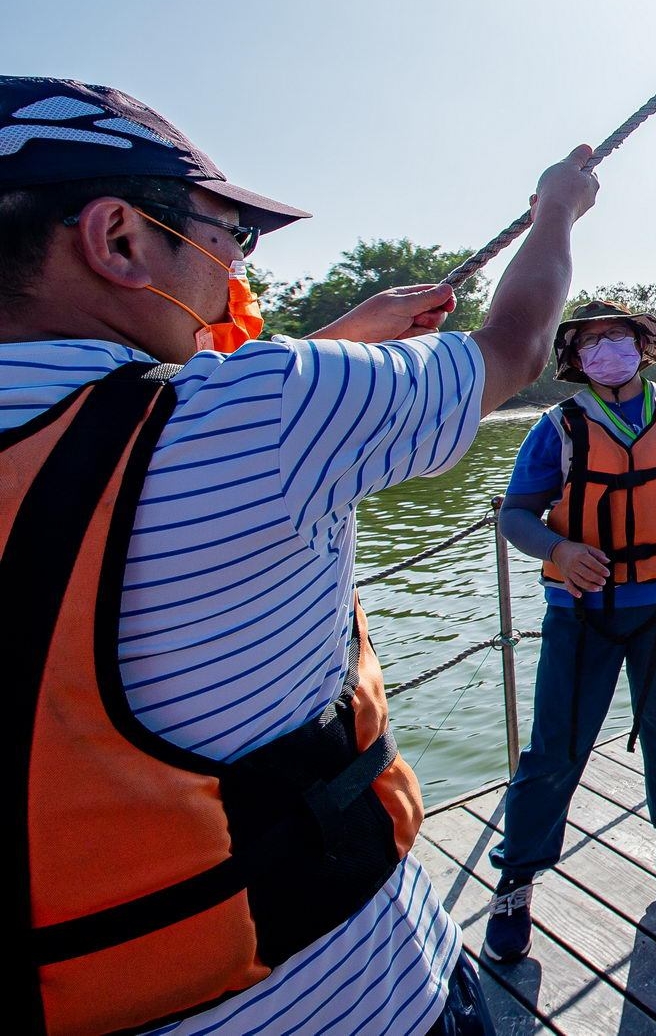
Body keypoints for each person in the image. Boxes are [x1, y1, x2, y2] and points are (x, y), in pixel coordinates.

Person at [0, 77, 599, 1036]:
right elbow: (518, 343)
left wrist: (338, 340)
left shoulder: (237, 411)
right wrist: (556, 211)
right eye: (227, 236)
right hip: (360, 1008)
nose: (234, 272)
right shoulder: (274, 406)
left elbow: (142, 433)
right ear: (117, 239)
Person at [483, 300, 656, 962]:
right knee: (557, 742)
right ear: (575, 359)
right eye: (589, 343)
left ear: (644, 346)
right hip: (584, 609)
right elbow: (518, 514)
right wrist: (556, 551)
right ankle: (516, 877)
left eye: (617, 336)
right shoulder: (558, 428)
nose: (605, 349)